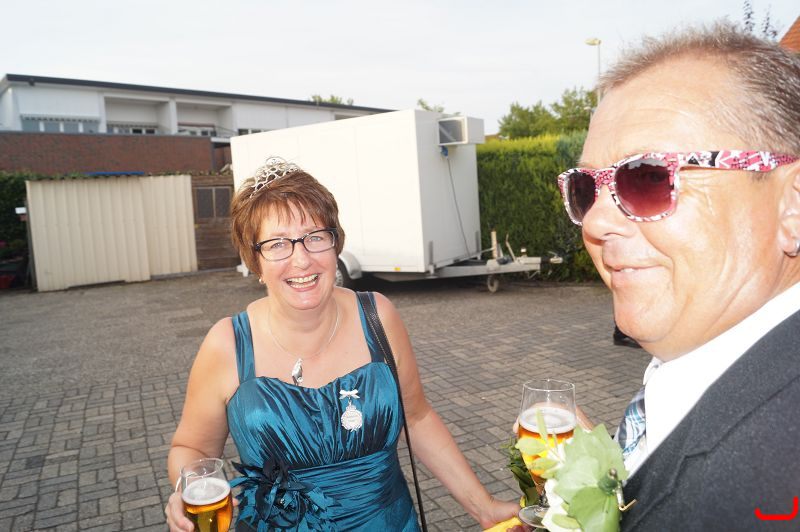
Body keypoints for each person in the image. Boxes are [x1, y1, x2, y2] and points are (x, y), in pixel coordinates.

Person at [165, 157, 519, 531]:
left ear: (335, 244)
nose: (301, 259)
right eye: (278, 243)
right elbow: (193, 448)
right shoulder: (227, 344)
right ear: (256, 260)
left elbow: (416, 418)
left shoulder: (378, 318)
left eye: (315, 237)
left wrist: (484, 507)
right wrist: (191, 488)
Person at [555, 22, 800, 530]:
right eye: (586, 187)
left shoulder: (754, 486)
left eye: (648, 177)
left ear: (792, 206)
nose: (595, 222)